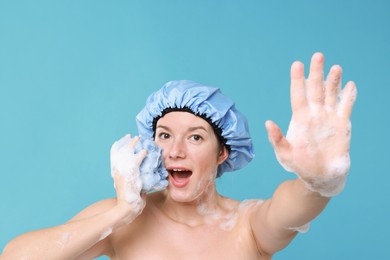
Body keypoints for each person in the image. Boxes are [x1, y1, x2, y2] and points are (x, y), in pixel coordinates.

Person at [1, 52, 357, 259]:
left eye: (196, 137)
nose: (174, 150)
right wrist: (123, 210)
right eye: (165, 136)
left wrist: (318, 180)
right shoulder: (123, 221)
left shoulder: (247, 225)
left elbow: (291, 207)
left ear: (222, 154)